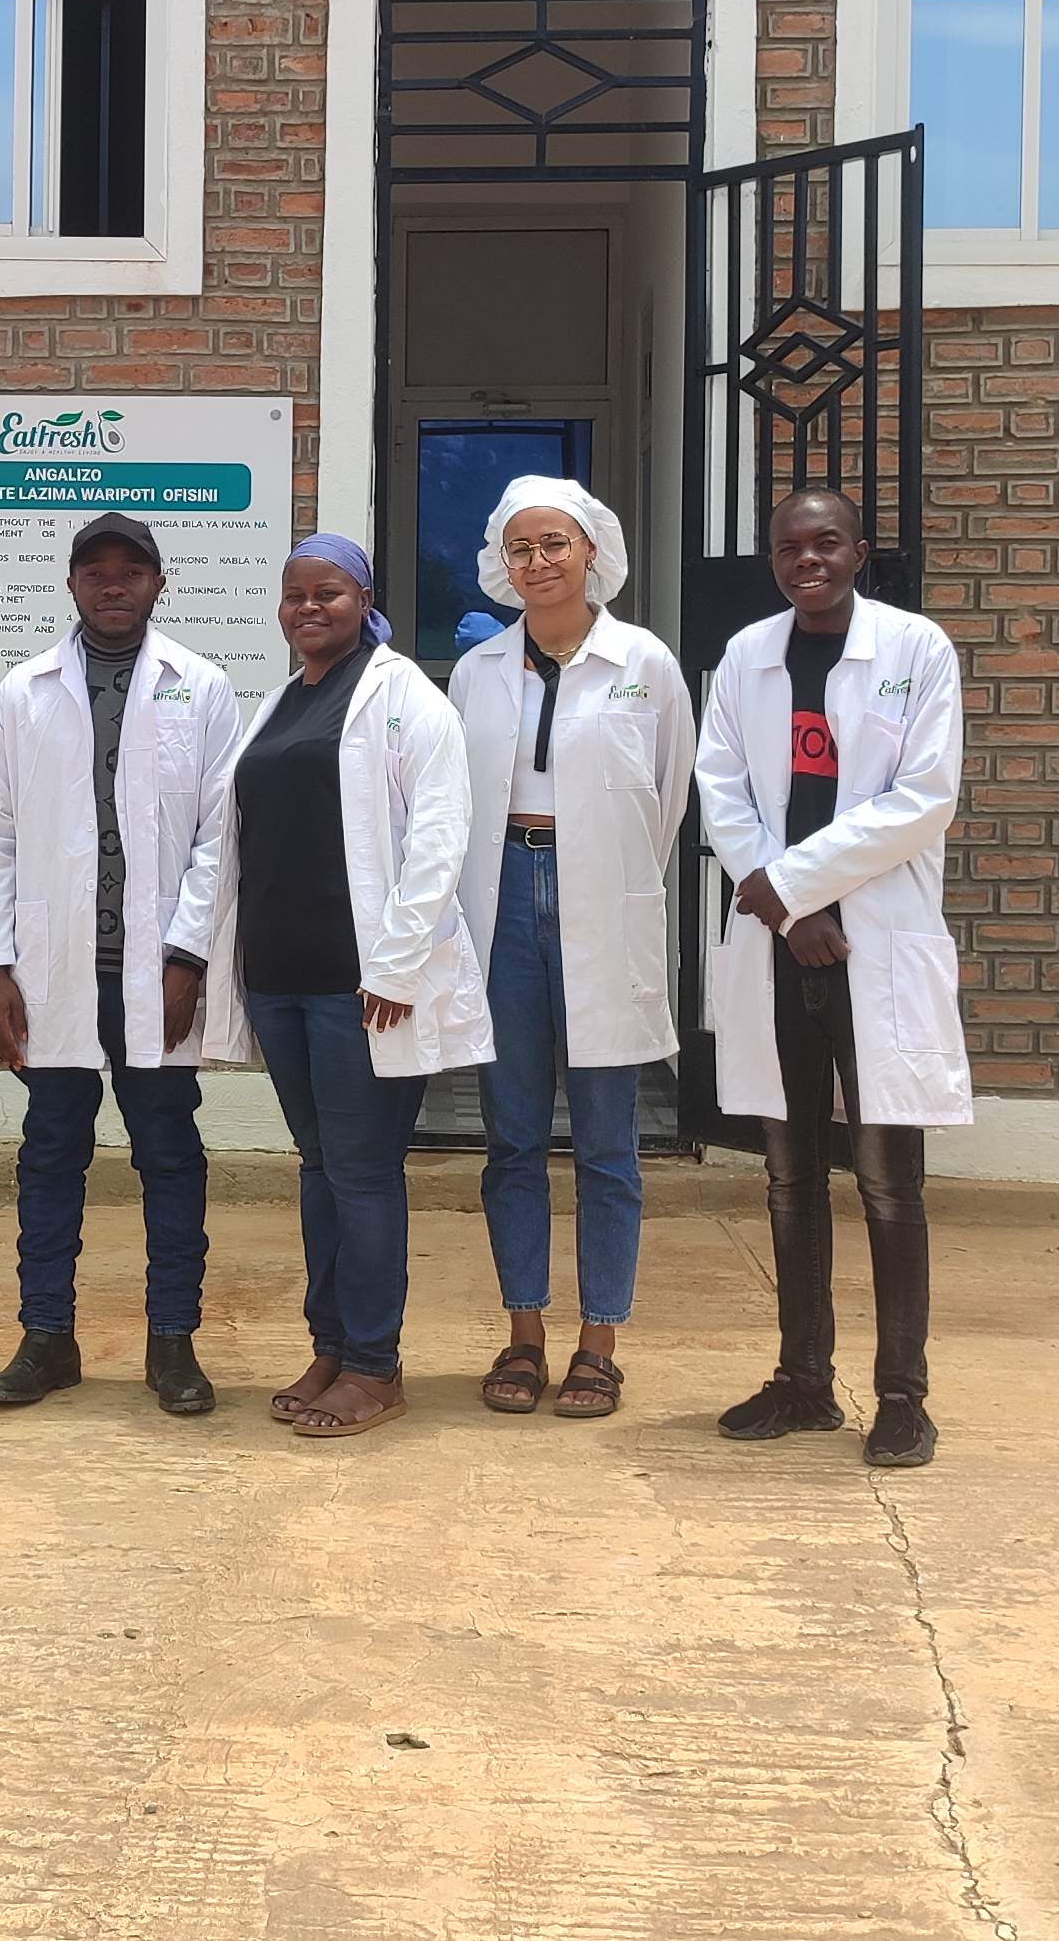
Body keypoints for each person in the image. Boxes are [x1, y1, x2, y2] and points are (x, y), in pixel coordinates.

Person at [170, 533, 493, 1439]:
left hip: (364, 989)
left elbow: (438, 838)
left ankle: (377, 1365)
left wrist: (392, 966)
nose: (309, 609)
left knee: (361, 1171)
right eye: (294, 596)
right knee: (319, 1170)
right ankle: (332, 1344)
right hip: (277, 977)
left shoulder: (406, 700)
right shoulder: (276, 704)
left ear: (364, 598)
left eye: (329, 594)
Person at [693, 488, 969, 1468]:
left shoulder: (915, 651)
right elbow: (718, 783)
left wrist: (794, 885)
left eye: (825, 543)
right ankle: (803, 1377)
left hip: (874, 941)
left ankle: (902, 1394)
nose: (805, 558)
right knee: (789, 1169)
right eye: (787, 546)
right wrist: (785, 905)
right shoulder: (745, 656)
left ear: (857, 551)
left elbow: (922, 799)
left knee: (889, 1181)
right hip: (783, 940)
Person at [0, 513, 245, 1416]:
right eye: (96, 571)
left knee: (169, 1154)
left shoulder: (199, 687)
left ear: (160, 584)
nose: (114, 585)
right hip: (55, 971)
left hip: (153, 968)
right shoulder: (24, 691)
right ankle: (46, 1338)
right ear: (72, 585)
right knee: (50, 1154)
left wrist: (188, 953)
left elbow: (217, 838)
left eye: (133, 571)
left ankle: (173, 1342)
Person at [445, 477, 694, 1420]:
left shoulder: (644, 662)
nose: (539, 562)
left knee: (606, 1141)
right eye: (520, 548)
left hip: (601, 902)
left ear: (593, 550)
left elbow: (665, 795)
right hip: (502, 895)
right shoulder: (478, 672)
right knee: (510, 1135)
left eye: (556, 543)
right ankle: (523, 1335)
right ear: (500, 565)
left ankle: (600, 1343)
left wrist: (604, 874)